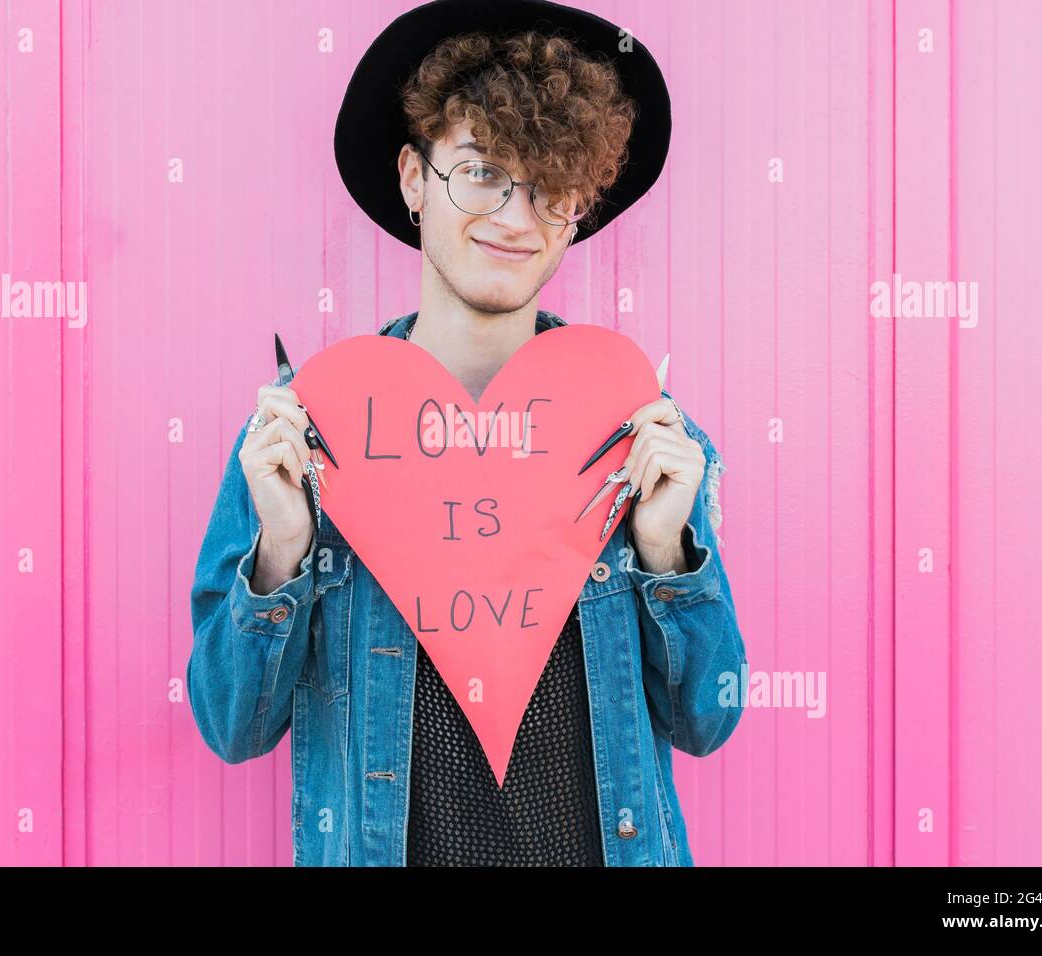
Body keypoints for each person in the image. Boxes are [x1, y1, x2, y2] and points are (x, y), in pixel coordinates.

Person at [187, 0, 747, 867]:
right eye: (481, 171)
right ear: (414, 178)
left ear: (580, 202)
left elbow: (707, 720)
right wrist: (282, 551)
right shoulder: (309, 429)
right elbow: (232, 727)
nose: (515, 218)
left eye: (549, 187)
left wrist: (667, 552)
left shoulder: (637, 427)